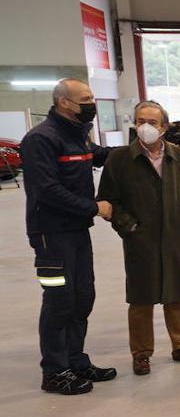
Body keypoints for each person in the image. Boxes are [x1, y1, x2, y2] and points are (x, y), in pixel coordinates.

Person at [21, 77, 117, 394]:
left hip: (76, 232)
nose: (91, 104)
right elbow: (47, 191)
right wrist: (94, 207)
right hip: (50, 234)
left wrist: (146, 147)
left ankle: (76, 360)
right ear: (64, 102)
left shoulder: (78, 135)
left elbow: (103, 156)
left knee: (82, 297)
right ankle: (54, 371)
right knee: (59, 300)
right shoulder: (41, 139)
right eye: (86, 98)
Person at [97, 101, 180, 376]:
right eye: (140, 120)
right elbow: (108, 200)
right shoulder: (120, 159)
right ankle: (142, 354)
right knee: (141, 299)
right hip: (140, 240)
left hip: (176, 238)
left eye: (152, 122)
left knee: (178, 295)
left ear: (164, 127)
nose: (145, 126)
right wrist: (129, 227)